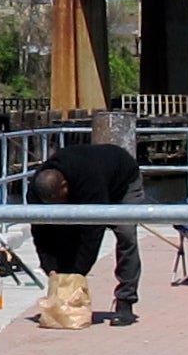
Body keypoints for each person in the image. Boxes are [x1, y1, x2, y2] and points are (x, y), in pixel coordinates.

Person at [25, 136, 146, 330]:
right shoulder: (36, 191)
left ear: (65, 186)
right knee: (63, 231)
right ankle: (65, 303)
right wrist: (51, 268)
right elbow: (40, 231)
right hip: (94, 181)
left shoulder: (89, 181)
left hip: (123, 182)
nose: (57, 206)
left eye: (59, 200)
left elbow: (92, 233)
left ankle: (126, 301)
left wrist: (78, 272)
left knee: (126, 234)